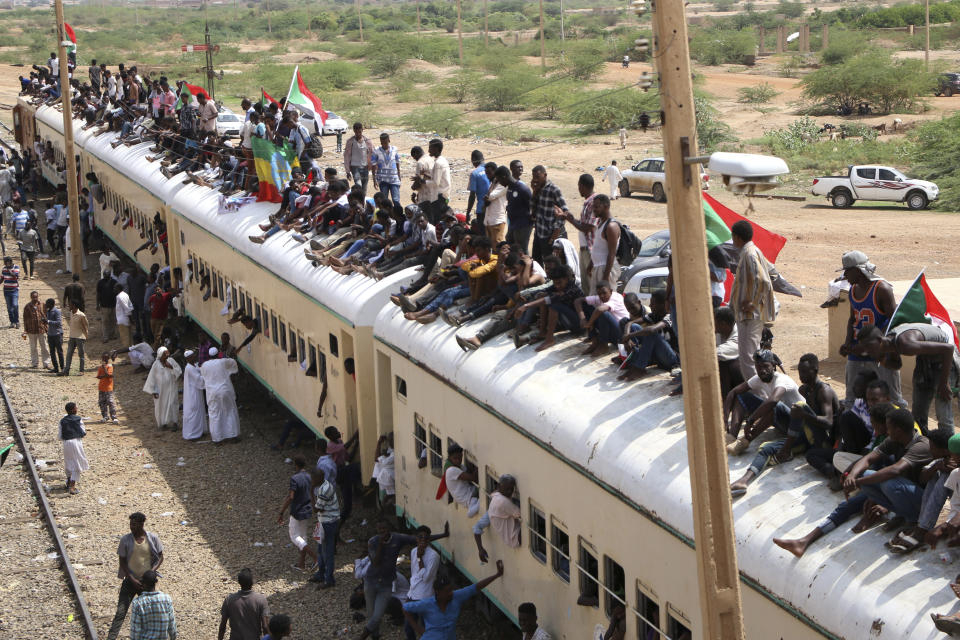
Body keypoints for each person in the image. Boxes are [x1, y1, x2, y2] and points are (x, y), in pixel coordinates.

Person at [728, 354, 838, 496]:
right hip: (806, 437)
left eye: (804, 372)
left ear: (815, 370)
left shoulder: (824, 391)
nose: (801, 375)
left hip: (824, 441)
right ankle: (743, 481)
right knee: (766, 448)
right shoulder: (804, 390)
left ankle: (786, 450)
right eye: (799, 372)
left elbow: (829, 422)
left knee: (798, 407)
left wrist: (804, 415)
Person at [857, 322, 959, 432]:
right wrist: (882, 360)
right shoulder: (890, 342)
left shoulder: (905, 344)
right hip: (925, 362)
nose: (867, 351)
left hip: (945, 362)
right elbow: (897, 365)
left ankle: (947, 446)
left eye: (869, 347)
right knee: (918, 415)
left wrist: (944, 383)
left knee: (943, 413)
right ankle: (921, 445)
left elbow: (948, 349)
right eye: (865, 349)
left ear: (879, 340)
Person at [361, 520, 450, 640]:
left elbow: (420, 540)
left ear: (389, 529)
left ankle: (361, 637)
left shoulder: (429, 554)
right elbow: (376, 562)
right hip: (373, 582)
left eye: (385, 529)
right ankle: (375, 636)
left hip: (396, 587)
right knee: (374, 616)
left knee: (378, 616)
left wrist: (443, 535)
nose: (382, 532)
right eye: (380, 529)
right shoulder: (373, 542)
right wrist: (381, 545)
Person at [836, 250, 903, 405]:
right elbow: (852, 319)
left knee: (892, 398)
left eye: (847, 271)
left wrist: (880, 347)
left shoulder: (882, 289)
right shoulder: (853, 290)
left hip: (880, 350)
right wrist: (847, 343)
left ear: (858, 271)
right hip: (857, 350)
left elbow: (895, 322)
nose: (845, 275)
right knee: (852, 398)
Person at [725, 349, 803, 456]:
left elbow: (773, 401)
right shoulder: (759, 378)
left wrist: (750, 421)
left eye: (766, 366)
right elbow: (733, 393)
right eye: (759, 367)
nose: (762, 370)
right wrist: (724, 420)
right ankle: (731, 437)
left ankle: (744, 441)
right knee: (742, 395)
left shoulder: (782, 380)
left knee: (773, 405)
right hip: (782, 421)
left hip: (797, 425)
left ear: (773, 365)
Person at [402, 560, 504, 639]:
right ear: (437, 592)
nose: (451, 593)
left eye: (451, 590)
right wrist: (418, 629)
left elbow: (476, 587)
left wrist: (497, 575)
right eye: (447, 591)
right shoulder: (426, 604)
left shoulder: (457, 596)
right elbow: (405, 608)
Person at [107, 512, 164, 640]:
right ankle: (111, 637)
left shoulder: (152, 538)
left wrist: (152, 571)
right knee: (121, 612)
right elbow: (122, 561)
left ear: (142, 524)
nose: (131, 527)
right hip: (130, 581)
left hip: (146, 584)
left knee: (149, 613)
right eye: (130, 524)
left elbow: (160, 557)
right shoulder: (125, 540)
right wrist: (131, 579)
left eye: (134, 524)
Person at [729, 221, 774, 381]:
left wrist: (753, 303)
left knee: (748, 359)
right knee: (748, 357)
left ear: (737, 237)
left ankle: (759, 396)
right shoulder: (750, 251)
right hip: (748, 315)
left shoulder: (749, 254)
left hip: (751, 315)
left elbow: (763, 281)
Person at [276, 455, 319, 572]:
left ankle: (316, 558)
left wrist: (281, 512)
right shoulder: (309, 477)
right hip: (307, 509)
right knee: (303, 537)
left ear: (296, 465)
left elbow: (291, 497)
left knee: (294, 536)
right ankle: (301, 564)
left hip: (297, 511)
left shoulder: (295, 478)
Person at [560, 174, 597, 294]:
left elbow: (589, 228)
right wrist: (570, 217)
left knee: (591, 286)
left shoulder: (593, 202)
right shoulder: (588, 202)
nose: (578, 189)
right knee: (586, 286)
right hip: (584, 249)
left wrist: (570, 219)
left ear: (582, 186)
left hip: (590, 250)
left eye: (579, 186)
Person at [405, 525, 442, 640]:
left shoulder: (434, 556)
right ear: (416, 538)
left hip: (425, 596)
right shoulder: (413, 551)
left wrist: (420, 559)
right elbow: (414, 574)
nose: (423, 540)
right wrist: (410, 592)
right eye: (420, 537)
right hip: (412, 594)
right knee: (408, 627)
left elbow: (426, 578)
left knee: (425, 627)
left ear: (429, 539)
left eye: (425, 538)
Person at [473, 475, 521, 562]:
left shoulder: (495, 500)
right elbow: (519, 514)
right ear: (498, 486)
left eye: (511, 489)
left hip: (511, 537)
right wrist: (480, 549)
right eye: (507, 489)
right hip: (515, 537)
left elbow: (477, 527)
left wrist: (480, 549)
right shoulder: (502, 501)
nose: (509, 492)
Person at [575, 282, 629, 356]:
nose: (602, 296)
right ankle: (595, 342)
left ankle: (604, 345)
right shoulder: (599, 297)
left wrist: (589, 324)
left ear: (611, 291)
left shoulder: (616, 297)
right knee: (587, 307)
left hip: (621, 335)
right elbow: (578, 300)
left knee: (603, 313)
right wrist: (582, 318)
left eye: (604, 293)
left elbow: (600, 310)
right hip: (612, 332)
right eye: (599, 294)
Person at [529, 166, 569, 264]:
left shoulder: (554, 189)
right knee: (536, 262)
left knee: (552, 264)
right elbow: (533, 209)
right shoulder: (538, 188)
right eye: (534, 177)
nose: (535, 179)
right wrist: (534, 191)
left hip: (550, 235)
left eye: (537, 177)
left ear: (545, 175)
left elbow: (565, 211)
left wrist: (556, 230)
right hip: (539, 232)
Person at [200, 348, 241, 443]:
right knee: (229, 411)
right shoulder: (223, 362)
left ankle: (217, 439)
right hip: (224, 390)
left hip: (212, 393)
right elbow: (233, 363)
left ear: (209, 356)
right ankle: (233, 436)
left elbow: (202, 376)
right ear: (218, 354)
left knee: (214, 414)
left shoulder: (204, 365)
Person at [309, 467, 340, 589]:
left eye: (312, 479)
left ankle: (329, 579)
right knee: (321, 550)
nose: (311, 481)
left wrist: (311, 492)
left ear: (318, 478)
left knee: (328, 552)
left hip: (329, 523)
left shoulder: (324, 490)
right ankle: (321, 574)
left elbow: (316, 509)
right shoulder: (324, 485)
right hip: (324, 521)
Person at [217, 568, 270, 640]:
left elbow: (223, 626)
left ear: (239, 582)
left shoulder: (229, 600)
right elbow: (265, 626)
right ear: (252, 582)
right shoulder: (261, 600)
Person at [128, 570, 177, 640]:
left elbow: (135, 631)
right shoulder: (166, 599)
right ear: (155, 582)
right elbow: (172, 624)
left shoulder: (138, 603)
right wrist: (173, 637)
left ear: (143, 584)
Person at [143, 346, 182, 431]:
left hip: (172, 387)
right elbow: (151, 378)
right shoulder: (156, 365)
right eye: (165, 354)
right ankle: (163, 423)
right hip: (160, 390)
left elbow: (179, 371)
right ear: (161, 355)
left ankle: (175, 422)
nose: (167, 355)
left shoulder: (171, 361)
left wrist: (171, 367)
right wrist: (153, 391)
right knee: (161, 406)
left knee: (173, 403)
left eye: (168, 353)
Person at [589, 195, 620, 293]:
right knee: (594, 301)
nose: (594, 209)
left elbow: (611, 253)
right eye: (593, 206)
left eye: (597, 207)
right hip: (598, 267)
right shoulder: (601, 223)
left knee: (607, 303)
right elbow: (598, 247)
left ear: (606, 207)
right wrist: (590, 265)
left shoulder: (611, 226)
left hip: (605, 269)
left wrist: (605, 278)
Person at [59, 402, 88, 495]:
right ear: (72, 410)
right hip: (76, 442)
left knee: (68, 462)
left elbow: (60, 435)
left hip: (66, 443)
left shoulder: (62, 421)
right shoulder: (78, 419)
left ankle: (68, 480)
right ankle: (72, 486)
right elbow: (83, 432)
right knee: (77, 464)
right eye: (76, 408)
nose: (77, 409)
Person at [444, 444, 480, 517]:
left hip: (469, 494)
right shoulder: (452, 470)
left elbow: (469, 473)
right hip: (468, 498)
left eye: (460, 458)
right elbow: (473, 478)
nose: (458, 460)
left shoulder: (460, 467)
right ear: (450, 457)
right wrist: (479, 463)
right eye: (455, 458)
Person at [181, 350, 207, 441]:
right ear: (188, 359)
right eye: (191, 356)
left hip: (197, 391)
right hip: (192, 393)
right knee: (193, 411)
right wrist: (208, 375)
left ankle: (200, 431)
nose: (194, 357)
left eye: (193, 355)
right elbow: (198, 379)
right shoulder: (189, 368)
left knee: (199, 410)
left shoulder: (194, 365)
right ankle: (192, 434)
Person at [372, 132, 401, 210]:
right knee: (384, 201)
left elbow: (397, 162)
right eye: (382, 142)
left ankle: (398, 217)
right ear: (380, 142)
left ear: (389, 140)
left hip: (394, 179)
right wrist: (374, 180)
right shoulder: (376, 151)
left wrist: (399, 175)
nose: (384, 144)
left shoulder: (395, 149)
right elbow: (373, 166)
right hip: (382, 180)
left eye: (385, 142)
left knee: (396, 200)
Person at [22, 290, 51, 369]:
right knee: (33, 347)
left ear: (38, 296)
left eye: (36, 297)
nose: (35, 298)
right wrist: (25, 330)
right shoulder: (27, 307)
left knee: (44, 347)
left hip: (41, 329)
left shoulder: (43, 305)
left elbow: (47, 315)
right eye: (33, 297)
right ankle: (35, 363)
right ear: (31, 297)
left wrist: (47, 326)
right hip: (31, 330)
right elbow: (25, 319)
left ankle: (46, 363)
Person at [344, 122, 374, 196]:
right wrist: (347, 171)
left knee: (364, 188)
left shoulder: (367, 141)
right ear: (354, 131)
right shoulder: (350, 142)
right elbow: (346, 156)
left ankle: (362, 203)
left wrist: (372, 166)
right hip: (355, 167)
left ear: (362, 130)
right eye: (356, 131)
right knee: (358, 185)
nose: (358, 133)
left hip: (365, 167)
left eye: (359, 131)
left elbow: (372, 153)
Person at [62, 301, 88, 376]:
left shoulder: (81, 315)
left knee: (81, 354)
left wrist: (85, 335)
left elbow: (86, 325)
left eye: (70, 304)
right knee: (69, 354)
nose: (68, 306)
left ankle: (81, 370)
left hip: (80, 337)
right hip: (72, 336)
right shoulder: (71, 313)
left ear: (74, 305)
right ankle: (66, 370)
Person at [466, 150, 490, 224]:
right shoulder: (492, 169)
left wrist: (468, 212)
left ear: (473, 160)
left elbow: (472, 195)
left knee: (482, 234)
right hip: (494, 209)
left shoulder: (475, 173)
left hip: (482, 209)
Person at [96, 353, 119, 423]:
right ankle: (105, 416)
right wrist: (104, 375)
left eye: (105, 358)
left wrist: (104, 369)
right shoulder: (100, 367)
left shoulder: (110, 366)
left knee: (110, 402)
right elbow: (99, 376)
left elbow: (109, 375)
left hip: (108, 388)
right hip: (101, 387)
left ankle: (114, 417)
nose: (104, 360)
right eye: (103, 358)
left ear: (108, 359)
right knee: (102, 402)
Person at [97, 271, 118, 342]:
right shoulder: (100, 283)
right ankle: (105, 336)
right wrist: (97, 304)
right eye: (105, 275)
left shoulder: (114, 282)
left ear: (109, 275)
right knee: (105, 321)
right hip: (104, 305)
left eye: (107, 275)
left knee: (113, 320)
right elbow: (98, 294)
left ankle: (112, 335)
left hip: (113, 304)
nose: (106, 276)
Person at [45, 298, 65, 374]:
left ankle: (62, 368)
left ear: (51, 304)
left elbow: (58, 322)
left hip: (57, 334)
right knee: (52, 352)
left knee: (59, 352)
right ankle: (56, 368)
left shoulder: (57, 311)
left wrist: (48, 321)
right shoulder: (48, 311)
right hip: (50, 334)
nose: (46, 305)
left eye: (47, 303)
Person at [3, 256, 20, 328]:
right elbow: (2, 278)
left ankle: (17, 321)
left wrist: (9, 270)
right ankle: (12, 322)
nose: (6, 264)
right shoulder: (3, 269)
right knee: (9, 307)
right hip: (6, 290)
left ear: (10, 262)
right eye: (5, 263)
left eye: (7, 263)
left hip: (14, 290)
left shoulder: (16, 267)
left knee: (15, 305)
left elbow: (15, 276)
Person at [115, 283, 134, 347]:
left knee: (125, 337)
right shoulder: (125, 294)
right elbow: (130, 306)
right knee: (129, 337)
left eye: (115, 288)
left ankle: (127, 352)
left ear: (118, 288)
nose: (114, 289)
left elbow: (127, 308)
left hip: (123, 320)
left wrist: (130, 319)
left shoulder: (120, 297)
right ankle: (131, 350)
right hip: (126, 319)